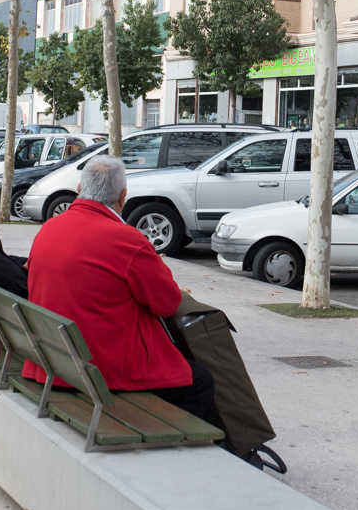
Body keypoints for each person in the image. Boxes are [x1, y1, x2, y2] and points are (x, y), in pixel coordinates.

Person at [24, 155, 220, 425]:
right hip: (101, 368)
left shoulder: (50, 227)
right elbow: (167, 303)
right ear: (123, 196)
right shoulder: (126, 238)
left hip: (54, 361)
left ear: (80, 190)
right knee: (200, 381)